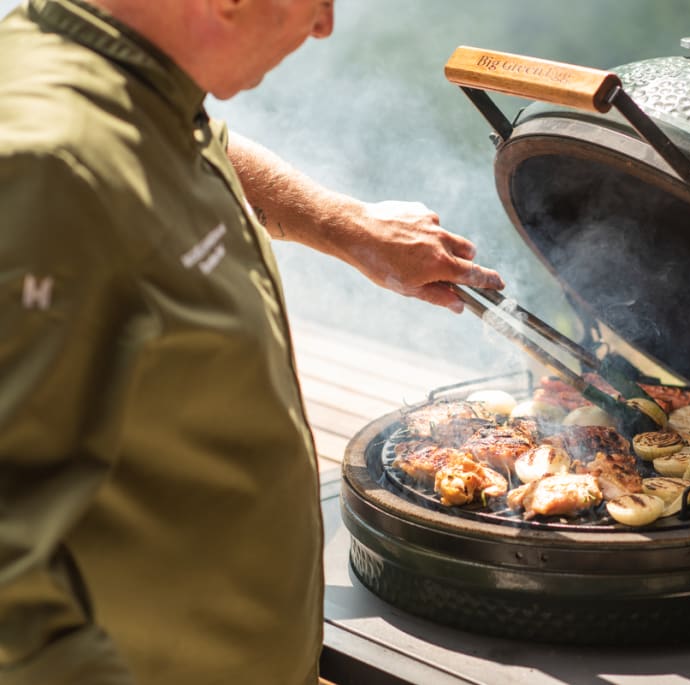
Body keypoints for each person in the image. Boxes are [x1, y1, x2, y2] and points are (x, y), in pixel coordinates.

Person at [0, 0, 504, 683]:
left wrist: (343, 225)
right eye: (319, 1)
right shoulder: (48, 167)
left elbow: (193, 146)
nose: (326, 24)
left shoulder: (132, 82)